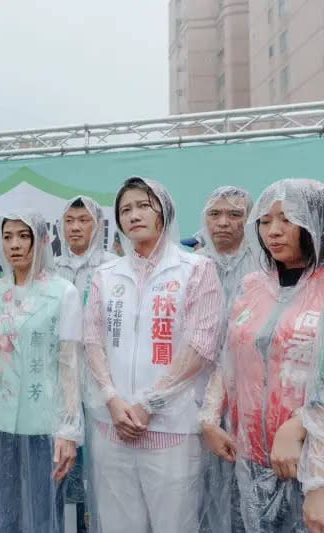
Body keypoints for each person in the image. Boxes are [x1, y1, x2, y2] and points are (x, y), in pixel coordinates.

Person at [83, 176, 222, 532]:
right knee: (118, 525)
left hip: (171, 430)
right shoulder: (106, 274)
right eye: (125, 209)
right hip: (112, 427)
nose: (133, 215)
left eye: (143, 205)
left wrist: (148, 404)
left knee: (173, 524)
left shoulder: (196, 269)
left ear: (164, 211)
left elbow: (201, 347)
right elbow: (92, 340)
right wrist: (113, 400)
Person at [0, 210, 83, 532]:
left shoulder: (63, 293)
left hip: (43, 423)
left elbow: (70, 364)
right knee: (1, 507)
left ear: (42, 241)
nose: (15, 245)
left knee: (44, 509)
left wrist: (69, 429)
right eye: (7, 237)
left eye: (24, 236)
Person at [200, 179, 324, 532]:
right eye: (266, 221)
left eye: (287, 219)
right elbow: (229, 360)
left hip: (310, 462)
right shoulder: (253, 286)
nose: (274, 231)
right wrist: (209, 418)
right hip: (250, 458)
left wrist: (303, 427)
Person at [194, 186, 258, 533]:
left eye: (235, 215)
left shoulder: (264, 269)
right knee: (200, 487)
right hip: (195, 392)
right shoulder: (191, 268)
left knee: (244, 485)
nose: (223, 223)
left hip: (248, 398)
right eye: (215, 214)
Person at [54, 196, 116, 531]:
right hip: (59, 382)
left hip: (99, 383)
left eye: (84, 220)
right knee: (62, 460)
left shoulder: (111, 267)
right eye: (69, 220)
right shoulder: (50, 268)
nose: (75, 227)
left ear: (98, 225)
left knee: (99, 466)